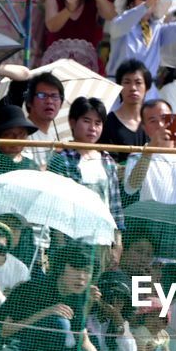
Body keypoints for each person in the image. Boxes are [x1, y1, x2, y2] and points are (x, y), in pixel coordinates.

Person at [0, 241, 108, 351]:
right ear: (61, 267)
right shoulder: (33, 289)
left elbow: (81, 337)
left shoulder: (78, 295)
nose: (81, 277)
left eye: (87, 271)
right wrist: (45, 313)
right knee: (59, 324)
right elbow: (3, 330)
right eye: (75, 268)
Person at [50, 98, 124, 256]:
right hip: (73, 241)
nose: (93, 128)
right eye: (86, 121)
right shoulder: (61, 158)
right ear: (72, 122)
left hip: (102, 240)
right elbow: (57, 206)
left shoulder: (107, 160)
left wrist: (117, 242)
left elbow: (115, 206)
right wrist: (60, 244)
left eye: (98, 123)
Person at [106, 0, 176, 78]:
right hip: (119, 86)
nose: (150, 1)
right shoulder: (120, 23)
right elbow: (123, 23)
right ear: (130, 3)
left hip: (147, 89)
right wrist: (146, 5)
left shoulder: (157, 29)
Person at [42, 0, 114, 71]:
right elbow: (52, 26)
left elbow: (111, 15)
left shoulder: (92, 1)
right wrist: (69, 8)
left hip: (87, 65)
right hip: (57, 63)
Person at [99, 60, 151, 148]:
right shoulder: (108, 123)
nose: (133, 88)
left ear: (147, 88)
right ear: (119, 87)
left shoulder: (153, 123)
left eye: (138, 83)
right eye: (127, 82)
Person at [21, 73, 67, 168]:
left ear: (61, 103)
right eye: (42, 95)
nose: (49, 101)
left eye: (54, 96)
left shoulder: (52, 137)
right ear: (29, 101)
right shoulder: (22, 133)